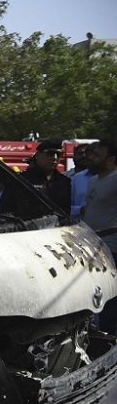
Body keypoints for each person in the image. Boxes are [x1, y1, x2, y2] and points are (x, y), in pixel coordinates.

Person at [80, 138, 117, 332]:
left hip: (112, 249)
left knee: (111, 300)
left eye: (97, 155)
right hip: (92, 248)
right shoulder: (93, 181)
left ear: (111, 159)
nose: (91, 158)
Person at [19, 139, 72, 212]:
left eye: (58, 154)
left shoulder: (65, 182)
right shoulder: (21, 180)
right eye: (50, 153)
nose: (55, 158)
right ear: (37, 155)